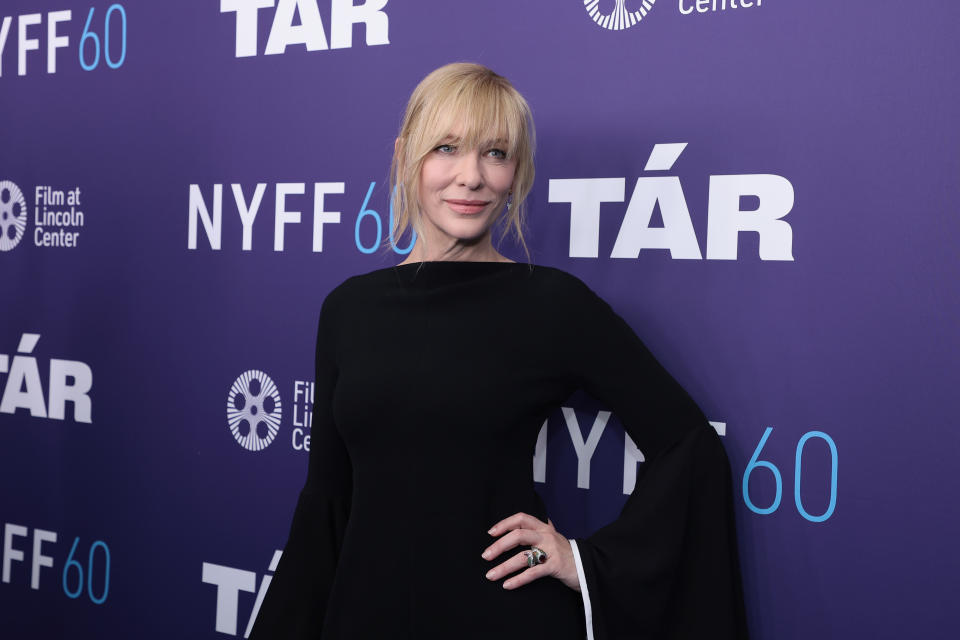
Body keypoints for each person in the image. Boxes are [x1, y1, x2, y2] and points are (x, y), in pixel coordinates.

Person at [249, 63, 748, 639]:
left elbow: (690, 447)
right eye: (446, 148)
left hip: (502, 615)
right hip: (365, 613)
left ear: (517, 172)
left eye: (495, 153)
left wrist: (583, 560)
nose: (471, 177)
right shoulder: (347, 309)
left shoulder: (552, 304)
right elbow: (327, 502)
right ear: (405, 155)